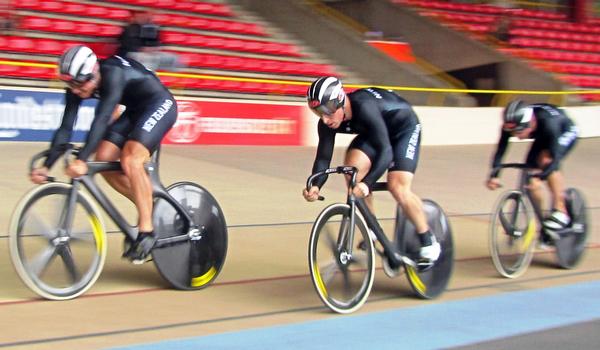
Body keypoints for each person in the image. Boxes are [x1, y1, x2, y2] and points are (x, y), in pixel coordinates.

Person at [30, 45, 178, 263]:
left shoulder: (113, 73)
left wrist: (81, 160)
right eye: (70, 84)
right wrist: (46, 165)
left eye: (79, 84)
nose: (75, 91)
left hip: (159, 104)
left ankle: (147, 232)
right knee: (103, 158)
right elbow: (65, 128)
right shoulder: (76, 85)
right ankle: (150, 206)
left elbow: (101, 120)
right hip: (134, 110)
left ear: (94, 72)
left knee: (131, 159)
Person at [302, 76, 440, 267]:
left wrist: (367, 185)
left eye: (326, 111)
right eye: (318, 112)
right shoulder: (327, 123)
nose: (324, 119)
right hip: (376, 131)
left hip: (403, 129)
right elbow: (323, 158)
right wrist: (315, 185)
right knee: (352, 172)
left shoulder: (364, 107)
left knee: (397, 186)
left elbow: (386, 151)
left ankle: (428, 241)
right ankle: (372, 230)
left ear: (340, 100)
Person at [486, 100, 579, 239]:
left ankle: (561, 210)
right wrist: (495, 174)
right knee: (530, 171)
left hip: (563, 131)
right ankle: (544, 223)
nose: (515, 136)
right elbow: (500, 150)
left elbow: (554, 159)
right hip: (541, 134)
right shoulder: (511, 124)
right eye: (511, 131)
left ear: (530, 123)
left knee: (546, 160)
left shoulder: (549, 124)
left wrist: (541, 176)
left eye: (518, 131)